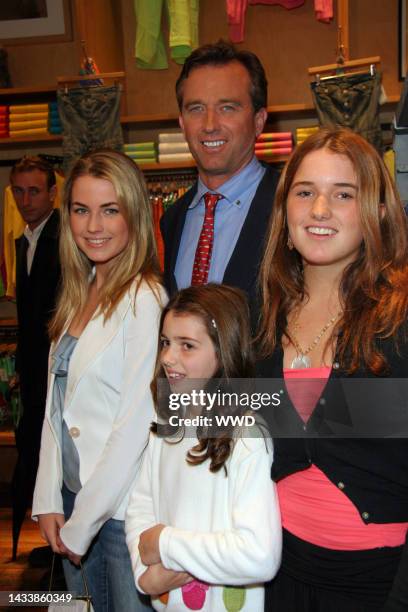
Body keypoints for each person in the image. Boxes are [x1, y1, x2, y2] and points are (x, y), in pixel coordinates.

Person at [256, 127, 408, 611]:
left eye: (343, 194)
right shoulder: (262, 319)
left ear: (378, 211)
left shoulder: (399, 322)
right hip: (278, 575)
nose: (319, 210)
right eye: (305, 193)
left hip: (378, 586)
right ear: (285, 209)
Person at [32, 150, 166, 611]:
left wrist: (81, 522)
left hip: (116, 514)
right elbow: (57, 408)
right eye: (81, 210)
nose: (94, 226)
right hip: (74, 503)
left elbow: (134, 427)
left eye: (110, 210)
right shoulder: (79, 289)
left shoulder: (145, 298)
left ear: (134, 216)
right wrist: (49, 498)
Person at [126, 284, 282, 611]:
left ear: (223, 351)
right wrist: (145, 573)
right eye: (165, 342)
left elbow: (260, 555)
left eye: (187, 346)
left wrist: (164, 543)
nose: (168, 357)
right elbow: (141, 504)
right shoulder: (167, 420)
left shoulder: (245, 437)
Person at [160, 40, 279, 314]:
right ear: (182, 123)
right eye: (196, 109)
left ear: (259, 121)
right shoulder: (173, 219)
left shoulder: (293, 207)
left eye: (228, 107)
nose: (210, 125)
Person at [10, 155, 61, 560]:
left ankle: (60, 540)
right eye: (18, 190)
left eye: (34, 190)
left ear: (51, 192)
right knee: (36, 448)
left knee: (56, 450)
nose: (26, 199)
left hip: (58, 367)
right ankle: (48, 536)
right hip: (32, 367)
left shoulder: (63, 237)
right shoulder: (22, 240)